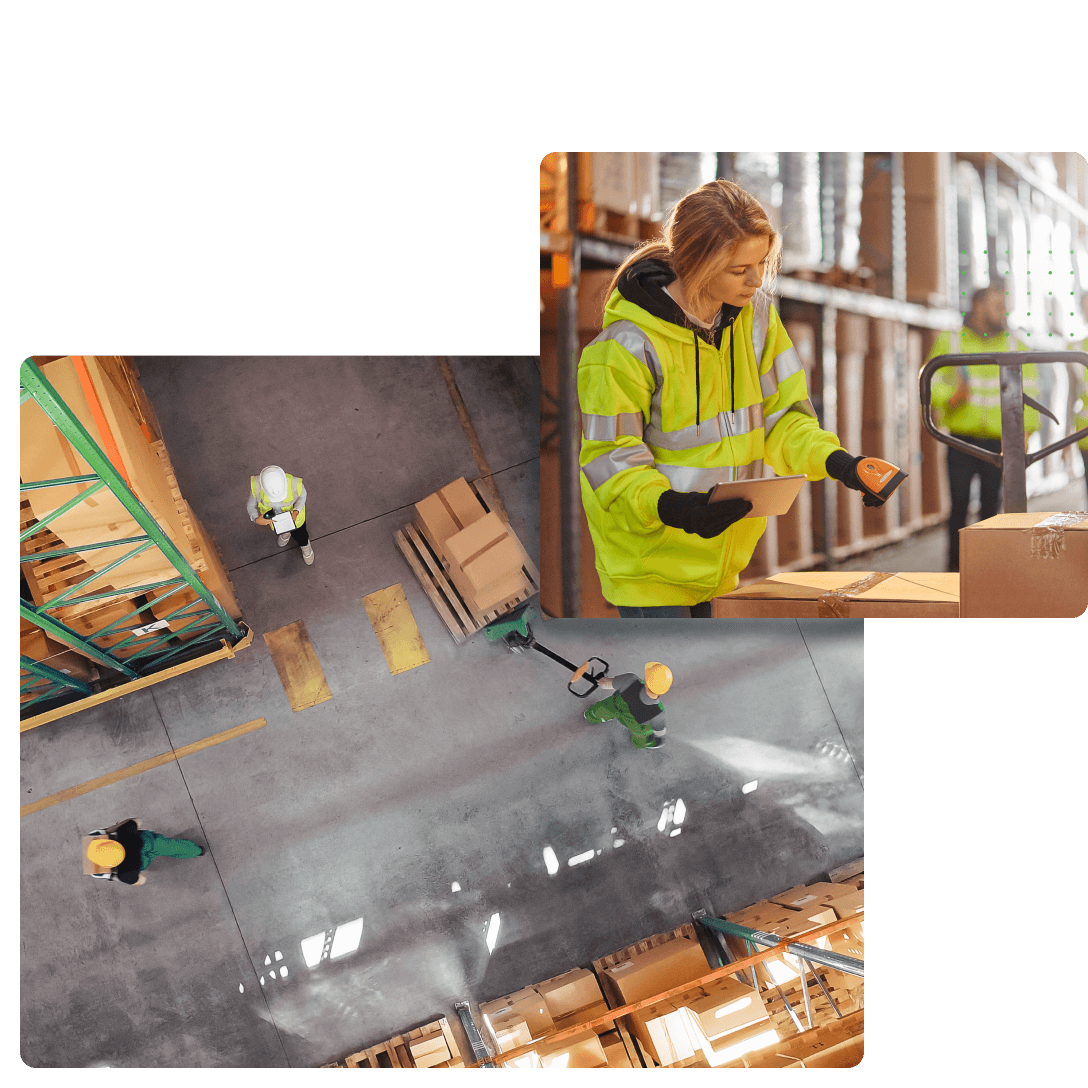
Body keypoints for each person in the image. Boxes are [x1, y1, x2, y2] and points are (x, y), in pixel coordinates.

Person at [577, 179, 881, 618]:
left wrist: (842, 464)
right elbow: (610, 457)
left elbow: (785, 418)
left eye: (761, 263)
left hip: (720, 564)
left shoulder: (755, 323)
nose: (757, 280)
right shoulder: (623, 348)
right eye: (740, 269)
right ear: (695, 264)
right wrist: (672, 507)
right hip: (650, 569)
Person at [928, 285, 1039, 572]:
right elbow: (930, 381)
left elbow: (1033, 391)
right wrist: (950, 397)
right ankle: (954, 571)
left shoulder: (1016, 343)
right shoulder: (951, 340)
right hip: (961, 441)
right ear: (978, 305)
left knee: (992, 508)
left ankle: (988, 571)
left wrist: (1025, 434)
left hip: (999, 442)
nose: (1004, 312)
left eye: (1005, 306)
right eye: (997, 306)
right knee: (959, 506)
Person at [85, 818, 204, 886]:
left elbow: (141, 880)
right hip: (147, 841)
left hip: (140, 863)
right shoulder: (96, 835)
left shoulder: (120, 874)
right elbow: (137, 821)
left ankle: (196, 851)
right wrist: (115, 828)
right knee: (171, 846)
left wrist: (115, 876)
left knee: (159, 852)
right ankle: (196, 851)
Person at [583, 662, 672, 750]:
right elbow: (659, 729)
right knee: (642, 735)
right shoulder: (658, 711)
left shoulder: (630, 679)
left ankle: (591, 715)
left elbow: (605, 684)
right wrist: (659, 738)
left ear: (646, 682)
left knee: (603, 709)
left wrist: (601, 681)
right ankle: (642, 744)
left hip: (615, 706)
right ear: (663, 691)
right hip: (636, 725)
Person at [249, 465, 313, 565]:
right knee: (281, 529)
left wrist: (297, 511)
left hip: (296, 519)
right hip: (276, 521)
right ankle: (286, 533)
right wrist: (256, 519)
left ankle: (305, 545)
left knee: (301, 535)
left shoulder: (295, 483)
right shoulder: (256, 486)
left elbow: (303, 496)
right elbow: (250, 505)